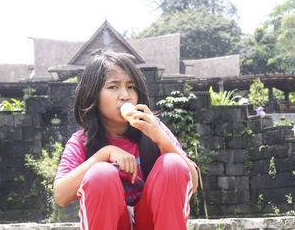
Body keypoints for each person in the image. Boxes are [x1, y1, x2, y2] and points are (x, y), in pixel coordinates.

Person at [53, 52, 198, 230]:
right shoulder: (82, 141)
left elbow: (193, 182)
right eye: (113, 87)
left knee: (173, 163)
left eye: (131, 87)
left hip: (150, 221)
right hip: (112, 222)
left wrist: (162, 140)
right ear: (93, 96)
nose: (125, 96)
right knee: (100, 173)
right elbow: (60, 195)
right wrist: (105, 154)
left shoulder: (154, 129)